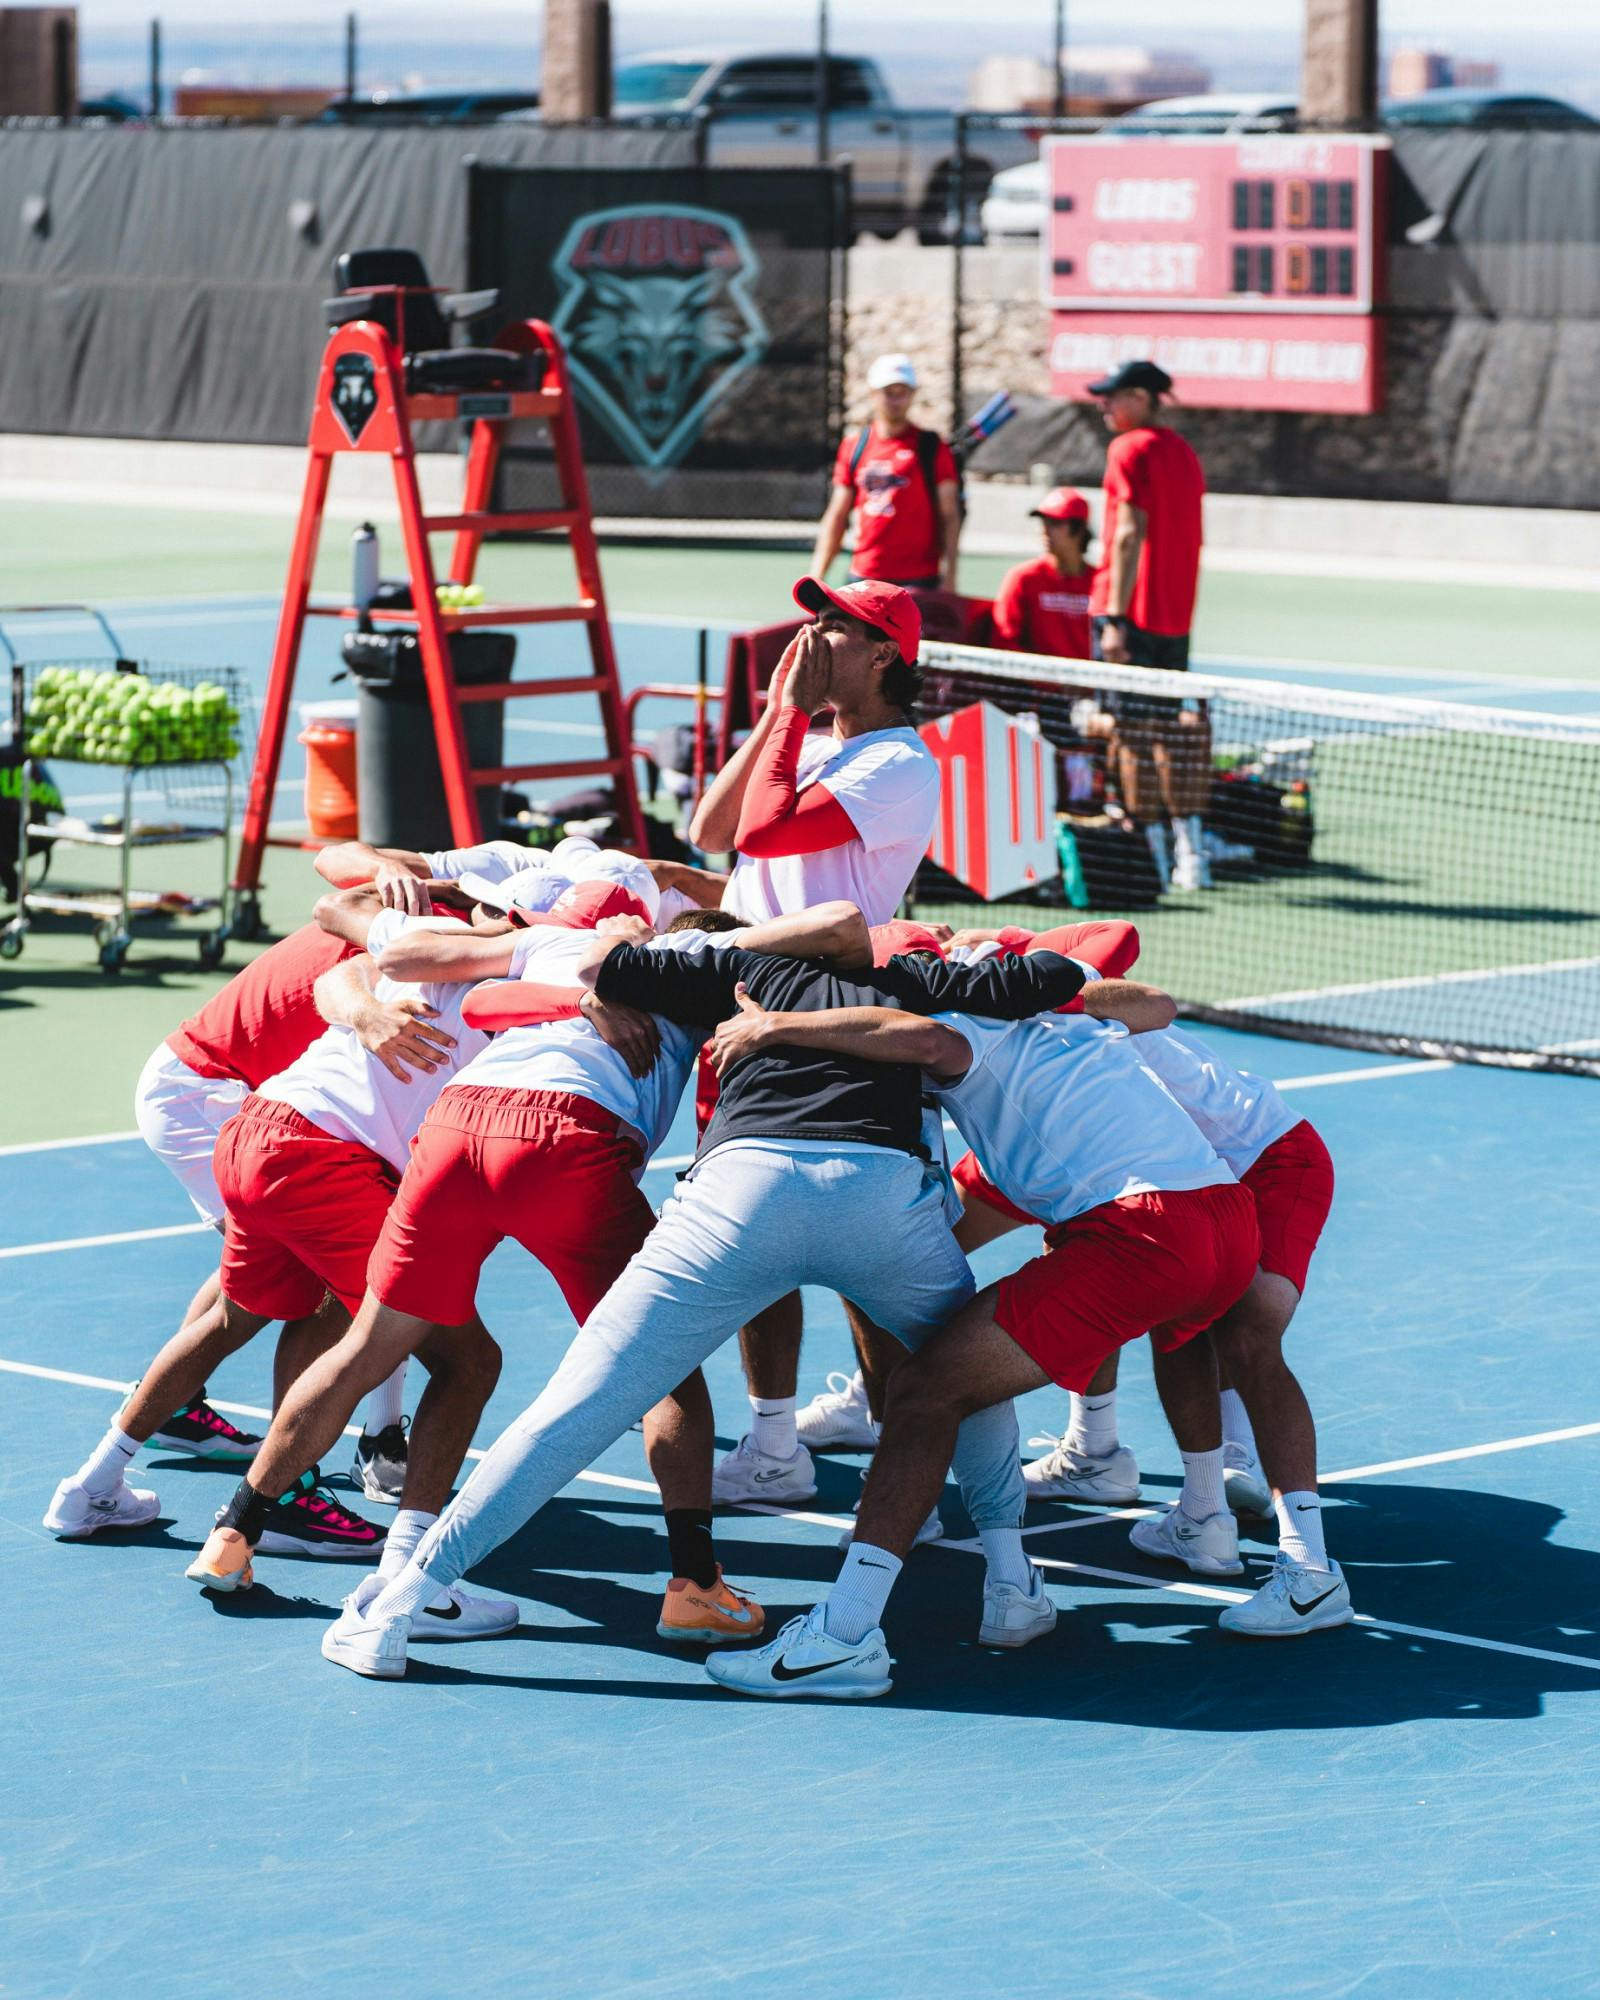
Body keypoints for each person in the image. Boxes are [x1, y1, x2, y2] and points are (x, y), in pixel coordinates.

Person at [315, 931, 1100, 1679]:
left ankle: (398, 1605)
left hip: (740, 1193)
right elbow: (1061, 977)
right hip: (882, 1195)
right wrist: (967, 959)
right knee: (966, 1376)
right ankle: (1009, 1585)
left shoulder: (734, 969)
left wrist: (695, 960)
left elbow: (599, 965)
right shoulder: (918, 981)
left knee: (576, 1405)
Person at [703, 989, 1261, 1700]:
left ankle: (843, 1636)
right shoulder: (1056, 1009)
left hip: (1144, 1233)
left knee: (925, 1390)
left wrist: (775, 1023)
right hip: (1224, 1215)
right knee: (968, 1360)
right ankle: (1027, 1580)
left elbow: (930, 1044)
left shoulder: (957, 1027)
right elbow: (1157, 1003)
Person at [42, 920, 448, 1542]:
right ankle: (299, 1492)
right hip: (274, 1127)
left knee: (240, 1313)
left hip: (260, 1123)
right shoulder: (439, 944)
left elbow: (339, 905)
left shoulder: (408, 927)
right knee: (417, 1338)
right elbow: (337, 914)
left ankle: (93, 1483)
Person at [679, 578, 943, 1505]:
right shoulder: (814, 739)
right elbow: (712, 830)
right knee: (756, 1236)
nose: (812, 634)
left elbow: (766, 828)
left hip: (831, 1007)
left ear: (883, 654)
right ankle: (774, 1441)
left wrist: (790, 721)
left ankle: (901, 1429)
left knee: (863, 1255)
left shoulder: (899, 764)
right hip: (740, 999)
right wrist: (773, 721)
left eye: (835, 624)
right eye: (813, 618)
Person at [960, 1023, 1348, 1635]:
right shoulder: (1035, 1040)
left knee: (1247, 1340)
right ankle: (1191, 1509)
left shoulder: (1044, 1033)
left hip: (1269, 1159)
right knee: (1161, 1306)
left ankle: (1311, 1572)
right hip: (1187, 1182)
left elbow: (1130, 974)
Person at [1085, 358, 1211, 893]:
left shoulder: (1127, 448)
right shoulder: (1184, 452)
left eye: (1113, 395)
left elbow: (1127, 535)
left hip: (1131, 617)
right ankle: (1190, 850)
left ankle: (1152, 857)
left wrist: (1115, 618)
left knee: (1134, 737)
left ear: (1141, 397)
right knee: (1170, 734)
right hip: (1174, 619)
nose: (1104, 405)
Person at [811, 354, 960, 592]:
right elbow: (837, 515)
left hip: (919, 579)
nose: (896, 399)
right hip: (864, 575)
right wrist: (817, 575)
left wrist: (950, 575)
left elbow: (950, 515)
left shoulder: (932, 447)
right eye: (889, 391)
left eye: (903, 392)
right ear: (873, 394)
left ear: (912, 395)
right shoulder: (854, 446)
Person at [991, 487, 1099, 661]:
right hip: (1034, 688)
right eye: (1044, 522)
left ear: (1079, 530)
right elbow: (1004, 641)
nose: (1045, 530)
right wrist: (1047, 682)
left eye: (1055, 523)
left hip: (1093, 686)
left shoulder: (1101, 583)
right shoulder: (1023, 578)